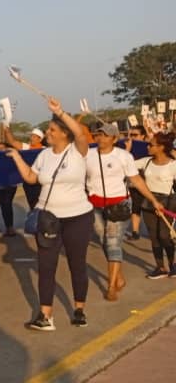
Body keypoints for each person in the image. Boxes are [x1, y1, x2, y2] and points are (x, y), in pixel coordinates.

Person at [6, 97, 93, 331]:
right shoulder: (43, 155)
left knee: (77, 264)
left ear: (64, 133)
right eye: (49, 128)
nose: (48, 132)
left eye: (52, 129)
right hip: (48, 219)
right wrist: (16, 158)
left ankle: (79, 309)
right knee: (46, 266)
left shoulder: (79, 151)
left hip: (78, 217)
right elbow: (32, 178)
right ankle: (45, 315)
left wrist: (60, 112)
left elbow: (80, 133)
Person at [85, 122, 162, 299]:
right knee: (105, 241)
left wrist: (153, 200)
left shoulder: (123, 156)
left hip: (118, 205)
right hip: (95, 205)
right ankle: (118, 275)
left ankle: (111, 286)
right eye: (99, 134)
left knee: (113, 242)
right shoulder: (87, 155)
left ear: (114, 138)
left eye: (105, 135)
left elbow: (136, 179)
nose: (101, 138)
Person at [136, 132, 176, 279]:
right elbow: (127, 167)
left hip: (167, 202)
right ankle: (160, 267)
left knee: (164, 235)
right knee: (154, 236)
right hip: (149, 201)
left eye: (151, 145)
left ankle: (173, 264)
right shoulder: (145, 162)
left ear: (161, 147)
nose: (148, 147)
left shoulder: (173, 165)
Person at [126, 125, 149, 240]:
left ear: (143, 136)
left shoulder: (150, 148)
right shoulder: (126, 148)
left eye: (134, 135)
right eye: (129, 135)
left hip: (151, 183)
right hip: (134, 182)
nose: (131, 138)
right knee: (136, 206)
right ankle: (135, 231)